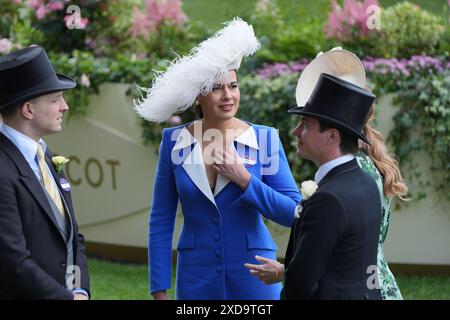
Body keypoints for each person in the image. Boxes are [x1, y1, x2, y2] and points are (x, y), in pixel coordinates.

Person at [134, 18, 301, 300]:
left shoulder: (265, 139)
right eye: (216, 88)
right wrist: (159, 288)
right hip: (195, 278)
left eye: (233, 86)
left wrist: (245, 179)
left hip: (255, 275)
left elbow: (294, 214)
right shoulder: (174, 142)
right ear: (199, 95)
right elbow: (161, 219)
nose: (228, 96)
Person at [245, 48, 406, 300]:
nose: (296, 132)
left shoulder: (329, 198)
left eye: (305, 125)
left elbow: (303, 285)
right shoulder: (363, 181)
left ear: (332, 136)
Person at [0, 46, 90, 299]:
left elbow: (72, 236)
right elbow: (12, 261)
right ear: (28, 110)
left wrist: (80, 290)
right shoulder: (2, 170)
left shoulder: (48, 157)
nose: (65, 107)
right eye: (56, 99)